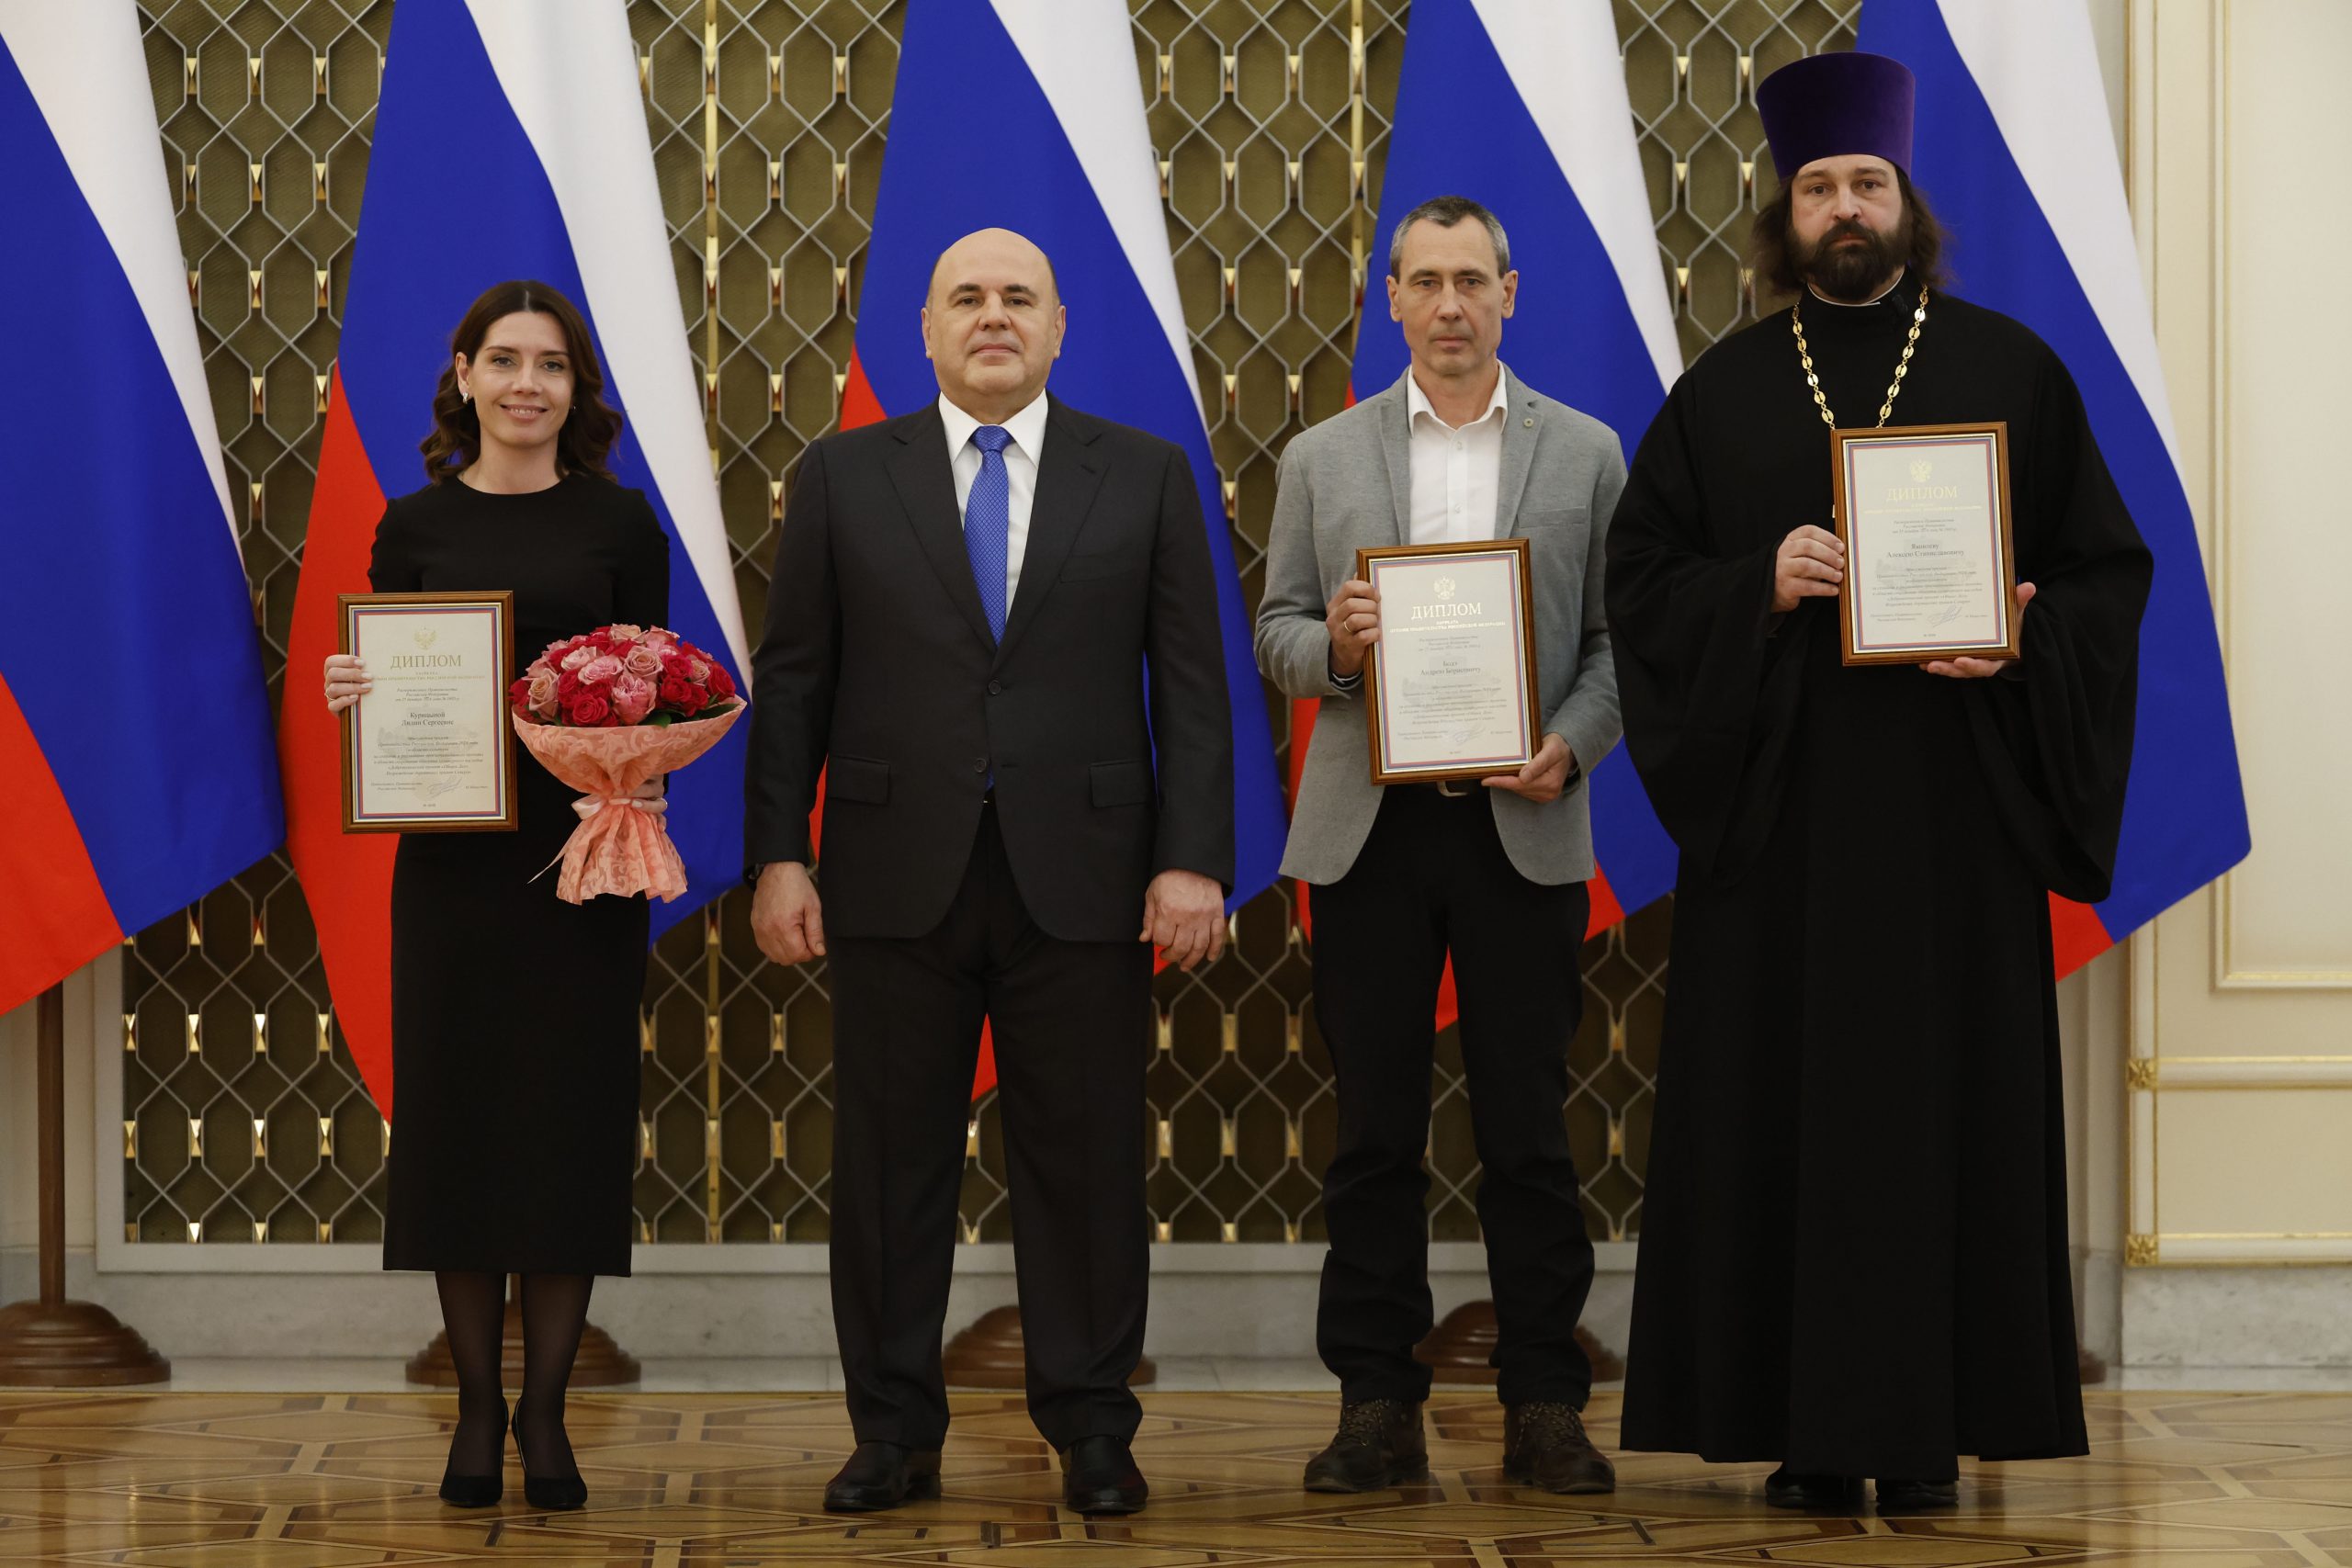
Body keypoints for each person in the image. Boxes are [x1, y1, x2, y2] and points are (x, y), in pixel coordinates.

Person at [1609, 52, 2149, 1514]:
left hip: (1951, 825)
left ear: (1906, 201)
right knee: (1788, 1117)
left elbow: (2107, 578)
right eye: (1818, 187)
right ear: (1782, 212)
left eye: (1866, 183)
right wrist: (1756, 583)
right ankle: (1802, 1427)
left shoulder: (2011, 372)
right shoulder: (1722, 391)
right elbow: (1641, 587)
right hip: (1780, 833)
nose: (1844, 208)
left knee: (1935, 1113)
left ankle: (1932, 1427)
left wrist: (2024, 638)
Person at [743, 227, 1235, 1517]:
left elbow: (1195, 688)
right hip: (890, 874)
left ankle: (1094, 1429)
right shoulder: (843, 474)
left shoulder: (1146, 473)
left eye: (1021, 296)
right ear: (926, 329)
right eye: (968, 297)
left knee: (1086, 1168)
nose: (995, 316)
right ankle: (891, 1433)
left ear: (1061, 326)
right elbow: (793, 684)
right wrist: (779, 855)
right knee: (888, 1170)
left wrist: (1193, 859)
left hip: (1089, 876)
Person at [1254, 196, 1623, 1496]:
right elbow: (1277, 632)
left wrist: (1571, 742)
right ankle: (1375, 1403)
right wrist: (1342, 650)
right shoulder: (1323, 457)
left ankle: (1544, 1402)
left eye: (1473, 279)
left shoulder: (1586, 454)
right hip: (1371, 832)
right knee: (1373, 1135)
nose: (1451, 304)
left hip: (1524, 818)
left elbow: (1618, 646)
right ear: (1392, 299)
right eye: (1426, 281)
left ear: (1509, 294)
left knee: (1528, 1132)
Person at [321, 279, 670, 1513]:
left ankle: (547, 1412)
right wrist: (356, 693)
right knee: (460, 1132)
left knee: (569, 1130)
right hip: (452, 874)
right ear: (464, 375)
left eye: (553, 365)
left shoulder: (620, 522)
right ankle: (475, 1409)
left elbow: (660, 686)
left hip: (583, 867)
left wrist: (647, 759)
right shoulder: (411, 524)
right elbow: (394, 686)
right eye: (507, 360)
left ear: (577, 389)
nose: (529, 384)